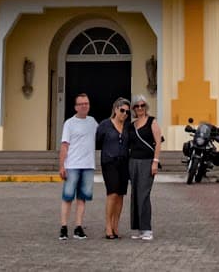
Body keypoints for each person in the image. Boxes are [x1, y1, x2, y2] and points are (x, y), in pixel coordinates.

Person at [58, 92, 97, 240]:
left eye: (86, 103)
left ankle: (78, 227)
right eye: (81, 104)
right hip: (72, 165)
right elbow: (64, 145)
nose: (84, 106)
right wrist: (62, 166)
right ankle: (63, 227)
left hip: (88, 165)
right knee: (67, 197)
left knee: (82, 198)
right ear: (75, 107)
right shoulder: (69, 123)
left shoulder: (92, 122)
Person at [126, 94, 163, 241]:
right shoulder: (132, 125)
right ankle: (140, 229)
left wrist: (155, 161)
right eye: (137, 106)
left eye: (142, 105)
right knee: (135, 194)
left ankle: (147, 229)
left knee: (144, 194)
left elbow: (158, 142)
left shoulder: (152, 122)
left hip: (147, 161)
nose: (140, 108)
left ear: (146, 107)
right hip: (133, 162)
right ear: (134, 109)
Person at [97, 98, 132, 239]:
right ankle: (108, 226)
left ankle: (116, 225)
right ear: (115, 109)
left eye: (127, 112)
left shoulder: (128, 127)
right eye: (122, 110)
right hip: (109, 162)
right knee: (112, 193)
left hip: (124, 162)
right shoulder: (105, 125)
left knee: (121, 194)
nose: (124, 114)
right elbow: (97, 141)